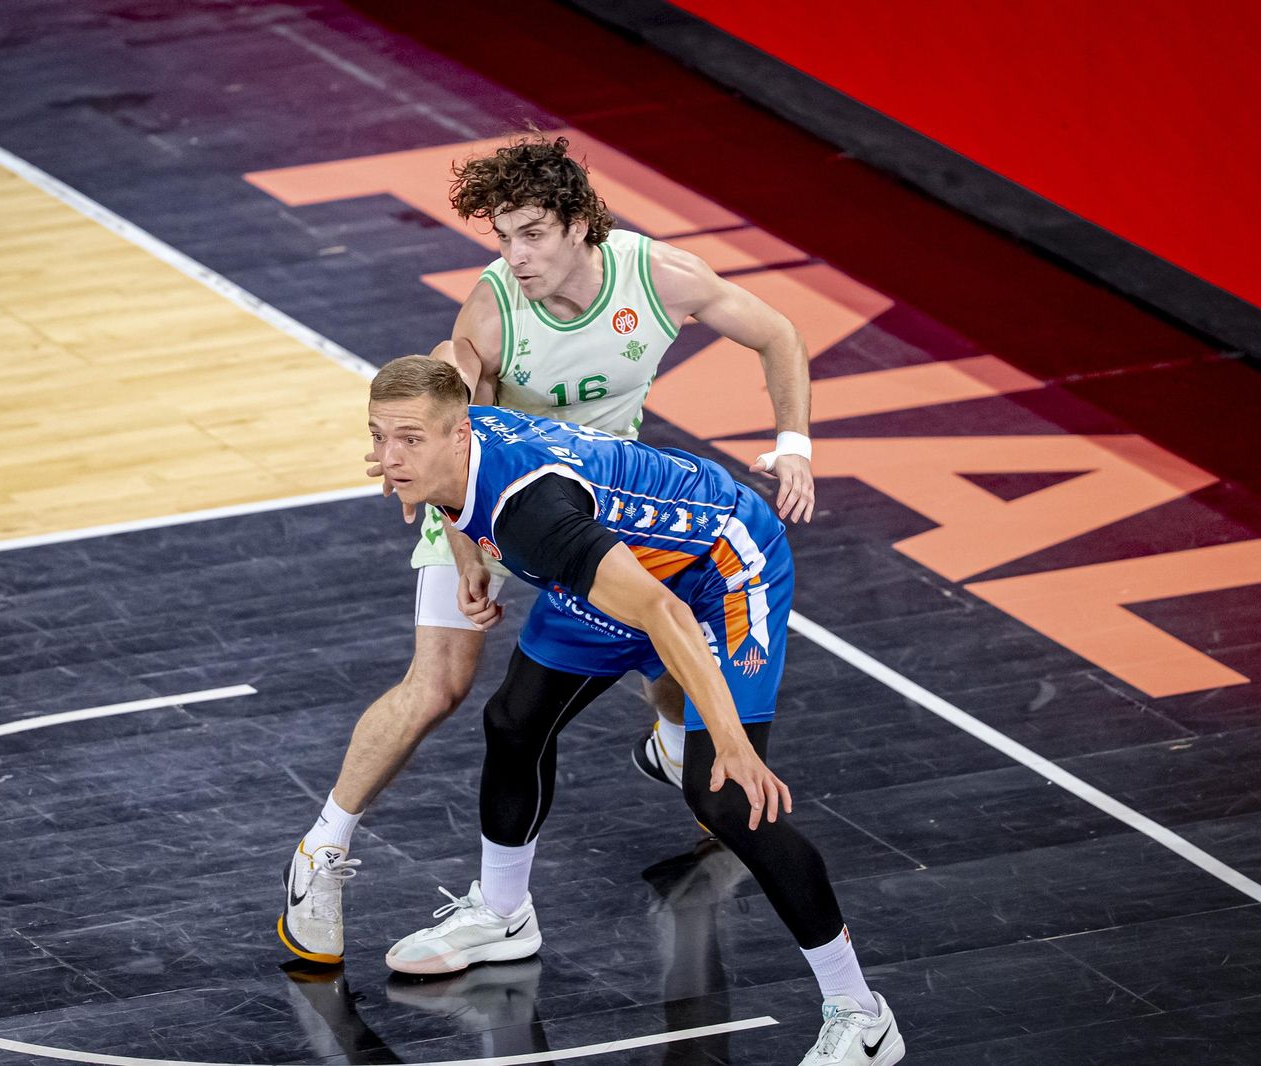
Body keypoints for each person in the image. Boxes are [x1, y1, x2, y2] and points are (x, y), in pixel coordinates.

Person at [280, 133, 817, 967]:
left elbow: (777, 332)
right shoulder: (492, 312)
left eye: (529, 232)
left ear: (578, 223)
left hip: (602, 505)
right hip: (487, 500)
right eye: (501, 236)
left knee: (665, 635)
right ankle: (320, 853)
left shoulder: (660, 279)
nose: (513, 255)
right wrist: (465, 553)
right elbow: (456, 432)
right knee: (442, 685)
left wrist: (794, 444)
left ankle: (676, 739)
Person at [370, 356, 904, 1066]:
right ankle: (502, 917)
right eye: (378, 437)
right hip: (623, 562)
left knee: (724, 796)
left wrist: (731, 740)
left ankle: (862, 1016)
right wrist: (468, 558)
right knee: (513, 721)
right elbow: (457, 500)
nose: (387, 457)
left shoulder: (533, 514)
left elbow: (664, 612)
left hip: (719, 566)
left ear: (458, 433)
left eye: (406, 440)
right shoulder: (451, 452)